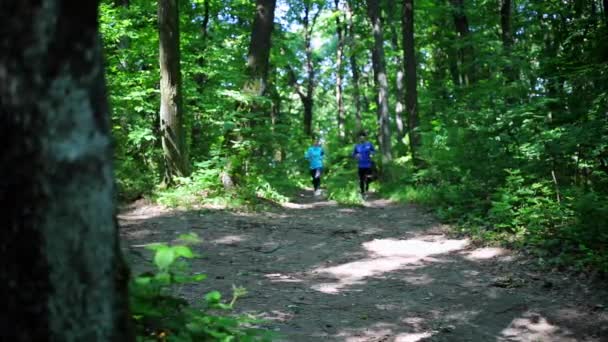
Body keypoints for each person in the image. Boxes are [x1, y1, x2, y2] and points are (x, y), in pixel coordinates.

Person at [352, 131, 375, 197]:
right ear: (359, 139)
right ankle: (362, 192)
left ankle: (367, 188)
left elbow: (373, 151)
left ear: (365, 138)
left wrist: (371, 154)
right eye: (360, 137)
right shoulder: (357, 146)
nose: (361, 138)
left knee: (368, 178)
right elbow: (353, 154)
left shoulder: (369, 144)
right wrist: (356, 155)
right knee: (361, 179)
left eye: (363, 137)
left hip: (368, 164)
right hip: (360, 165)